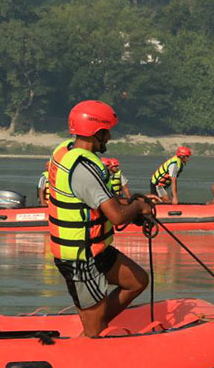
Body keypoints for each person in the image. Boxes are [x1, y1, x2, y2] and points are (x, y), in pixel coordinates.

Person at [48, 100, 156, 337]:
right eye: (107, 132)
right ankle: (92, 330)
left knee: (138, 280)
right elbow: (116, 217)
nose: (109, 138)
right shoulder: (83, 170)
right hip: (79, 258)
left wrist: (135, 208)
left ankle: (96, 319)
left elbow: (101, 200)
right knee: (94, 334)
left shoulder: (66, 150)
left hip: (96, 249)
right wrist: (137, 205)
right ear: (97, 132)